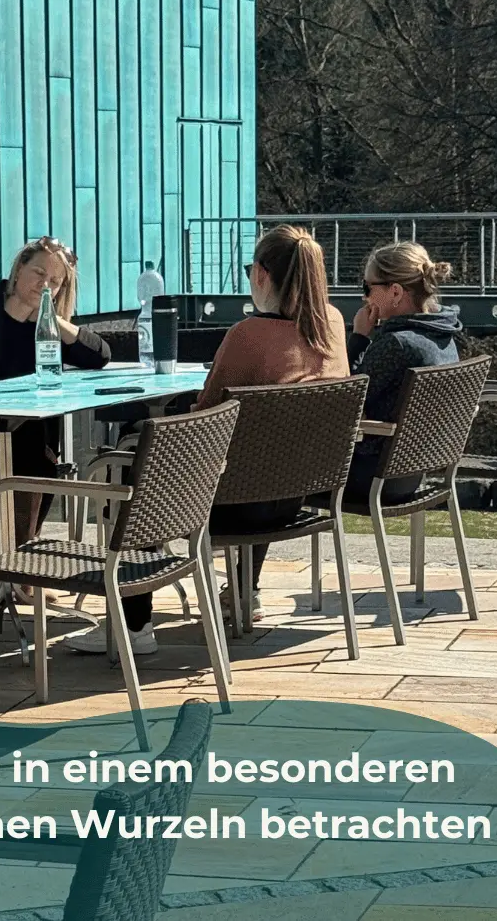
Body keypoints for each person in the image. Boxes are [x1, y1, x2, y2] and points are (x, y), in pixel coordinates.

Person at [69, 224, 348, 656]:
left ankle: (133, 624)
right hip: (298, 497)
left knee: (140, 460)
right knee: (266, 453)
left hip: (232, 507)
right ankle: (244, 591)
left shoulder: (248, 335)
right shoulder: (332, 325)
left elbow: (206, 413)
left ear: (261, 274)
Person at [0, 236, 110, 543]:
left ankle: (19, 555)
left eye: (55, 281)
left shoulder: (44, 327)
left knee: (40, 450)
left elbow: (100, 355)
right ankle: (19, 557)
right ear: (18, 270)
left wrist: (52, 320)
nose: (44, 285)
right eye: (39, 273)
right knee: (35, 452)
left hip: (24, 434)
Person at [344, 241, 461, 503]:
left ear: (395, 292)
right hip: (414, 474)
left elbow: (347, 397)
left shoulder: (397, 343)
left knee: (289, 468)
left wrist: (359, 337)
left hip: (373, 477)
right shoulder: (444, 335)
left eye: (368, 288)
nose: (365, 297)